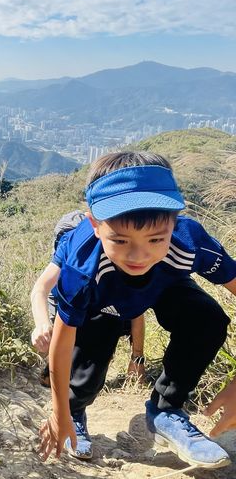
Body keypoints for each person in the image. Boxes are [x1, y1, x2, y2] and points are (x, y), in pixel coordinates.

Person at [38, 151, 236, 469]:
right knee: (90, 370)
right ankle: (75, 413)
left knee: (207, 318)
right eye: (120, 239)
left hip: (163, 283)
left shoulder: (190, 241)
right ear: (96, 225)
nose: (138, 255)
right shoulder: (82, 266)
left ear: (175, 222)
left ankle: (166, 412)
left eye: (156, 238)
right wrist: (58, 410)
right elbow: (62, 342)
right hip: (102, 299)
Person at [30, 210, 146, 385]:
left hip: (106, 309)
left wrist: (137, 360)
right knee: (51, 374)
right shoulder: (68, 261)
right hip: (77, 310)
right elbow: (40, 289)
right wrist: (42, 325)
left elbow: (137, 310)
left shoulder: (117, 264)